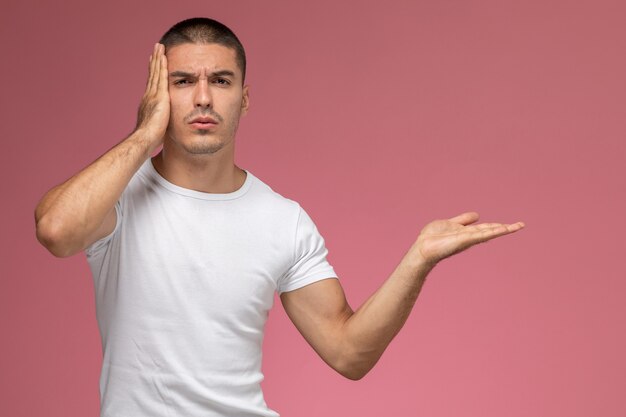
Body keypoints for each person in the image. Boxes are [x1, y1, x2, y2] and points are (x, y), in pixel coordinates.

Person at [34, 17, 525, 417]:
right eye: (183, 82)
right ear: (158, 94)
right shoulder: (116, 197)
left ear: (243, 99)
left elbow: (348, 353)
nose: (203, 98)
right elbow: (55, 231)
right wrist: (144, 134)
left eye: (221, 81)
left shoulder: (281, 220)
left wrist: (416, 260)